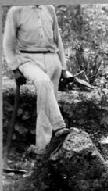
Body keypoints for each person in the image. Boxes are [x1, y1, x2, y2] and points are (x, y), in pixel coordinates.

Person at [3, 5, 70, 154]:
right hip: (27, 59)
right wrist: (14, 68)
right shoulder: (16, 10)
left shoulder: (49, 8)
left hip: (52, 59)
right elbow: (8, 44)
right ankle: (59, 125)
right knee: (42, 81)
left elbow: (58, 40)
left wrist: (63, 67)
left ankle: (43, 150)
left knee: (46, 104)